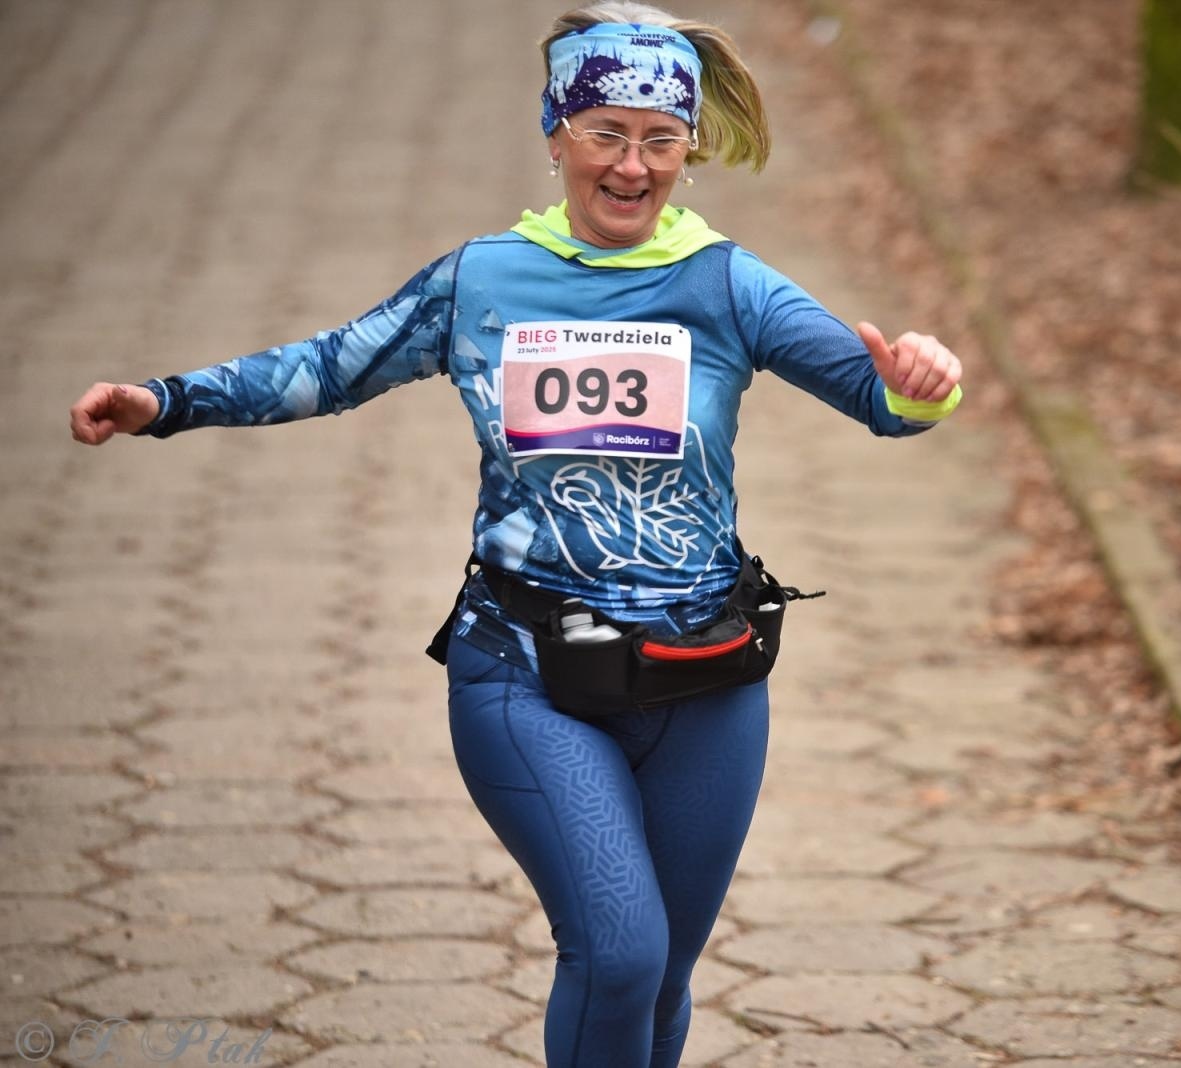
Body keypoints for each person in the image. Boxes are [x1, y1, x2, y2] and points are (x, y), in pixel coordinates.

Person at [67, 3, 963, 1065]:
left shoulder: (729, 283)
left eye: (660, 139)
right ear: (555, 134)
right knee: (619, 955)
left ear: (689, 151)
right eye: (605, 132)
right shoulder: (482, 281)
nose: (632, 165)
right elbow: (327, 368)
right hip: (527, 672)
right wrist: (167, 401)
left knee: (662, 977)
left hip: (704, 681)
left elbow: (879, 395)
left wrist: (921, 383)